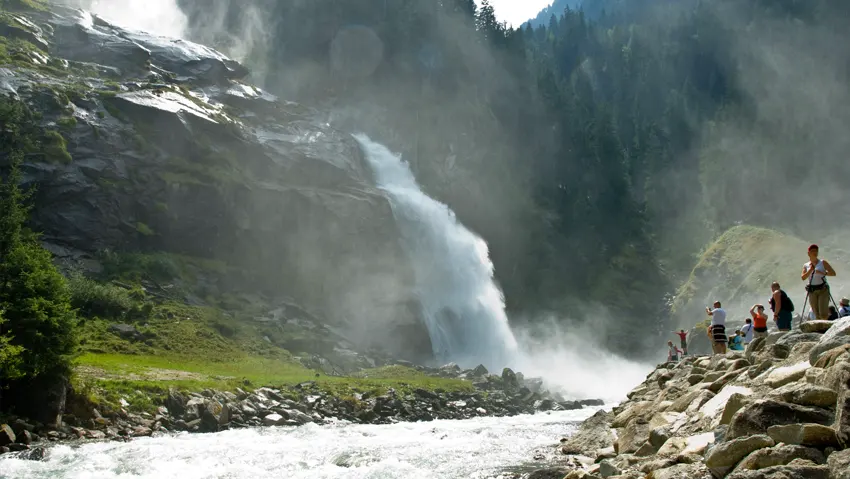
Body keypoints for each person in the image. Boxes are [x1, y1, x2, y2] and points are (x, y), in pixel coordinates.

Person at [801, 244, 836, 320]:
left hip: (823, 289)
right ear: (808, 253)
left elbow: (833, 273)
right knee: (816, 313)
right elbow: (803, 277)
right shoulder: (806, 265)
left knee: (823, 313)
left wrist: (823, 273)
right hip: (812, 290)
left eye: (816, 251)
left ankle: (824, 327)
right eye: (813, 251)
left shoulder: (823, 262)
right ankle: (820, 329)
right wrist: (810, 270)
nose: (815, 253)